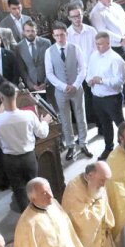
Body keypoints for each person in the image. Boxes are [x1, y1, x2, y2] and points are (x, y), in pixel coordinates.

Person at [0, 83, 47, 213]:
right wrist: (45, 122)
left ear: (0, 97)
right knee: (35, 187)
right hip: (29, 158)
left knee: (19, 191)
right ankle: (40, 214)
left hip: (10, 160)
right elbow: (42, 133)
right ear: (17, 95)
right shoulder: (28, 115)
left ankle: (26, 217)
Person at [46, 20, 88, 160]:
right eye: (57, 35)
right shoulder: (49, 51)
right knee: (65, 118)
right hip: (60, 90)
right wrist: (63, 86)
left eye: (62, 35)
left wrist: (75, 84)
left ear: (66, 34)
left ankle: (83, 143)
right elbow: (49, 74)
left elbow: (82, 69)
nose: (60, 38)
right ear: (53, 35)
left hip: (76, 88)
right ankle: (70, 145)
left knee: (80, 116)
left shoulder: (75, 48)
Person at [86, 32, 125, 159]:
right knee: (105, 124)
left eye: (101, 44)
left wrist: (102, 80)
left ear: (109, 43)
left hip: (112, 98)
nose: (98, 47)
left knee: (120, 123)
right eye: (96, 44)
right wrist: (89, 80)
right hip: (97, 97)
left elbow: (120, 81)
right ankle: (108, 148)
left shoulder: (116, 59)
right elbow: (90, 71)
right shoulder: (93, 56)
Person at [16, 20, 52, 98]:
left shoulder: (46, 43)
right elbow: (22, 69)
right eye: (28, 31)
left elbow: (51, 64)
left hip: (48, 84)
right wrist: (31, 85)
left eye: (32, 31)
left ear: (36, 31)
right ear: (23, 32)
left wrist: (46, 82)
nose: (30, 33)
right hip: (32, 87)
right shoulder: (19, 47)